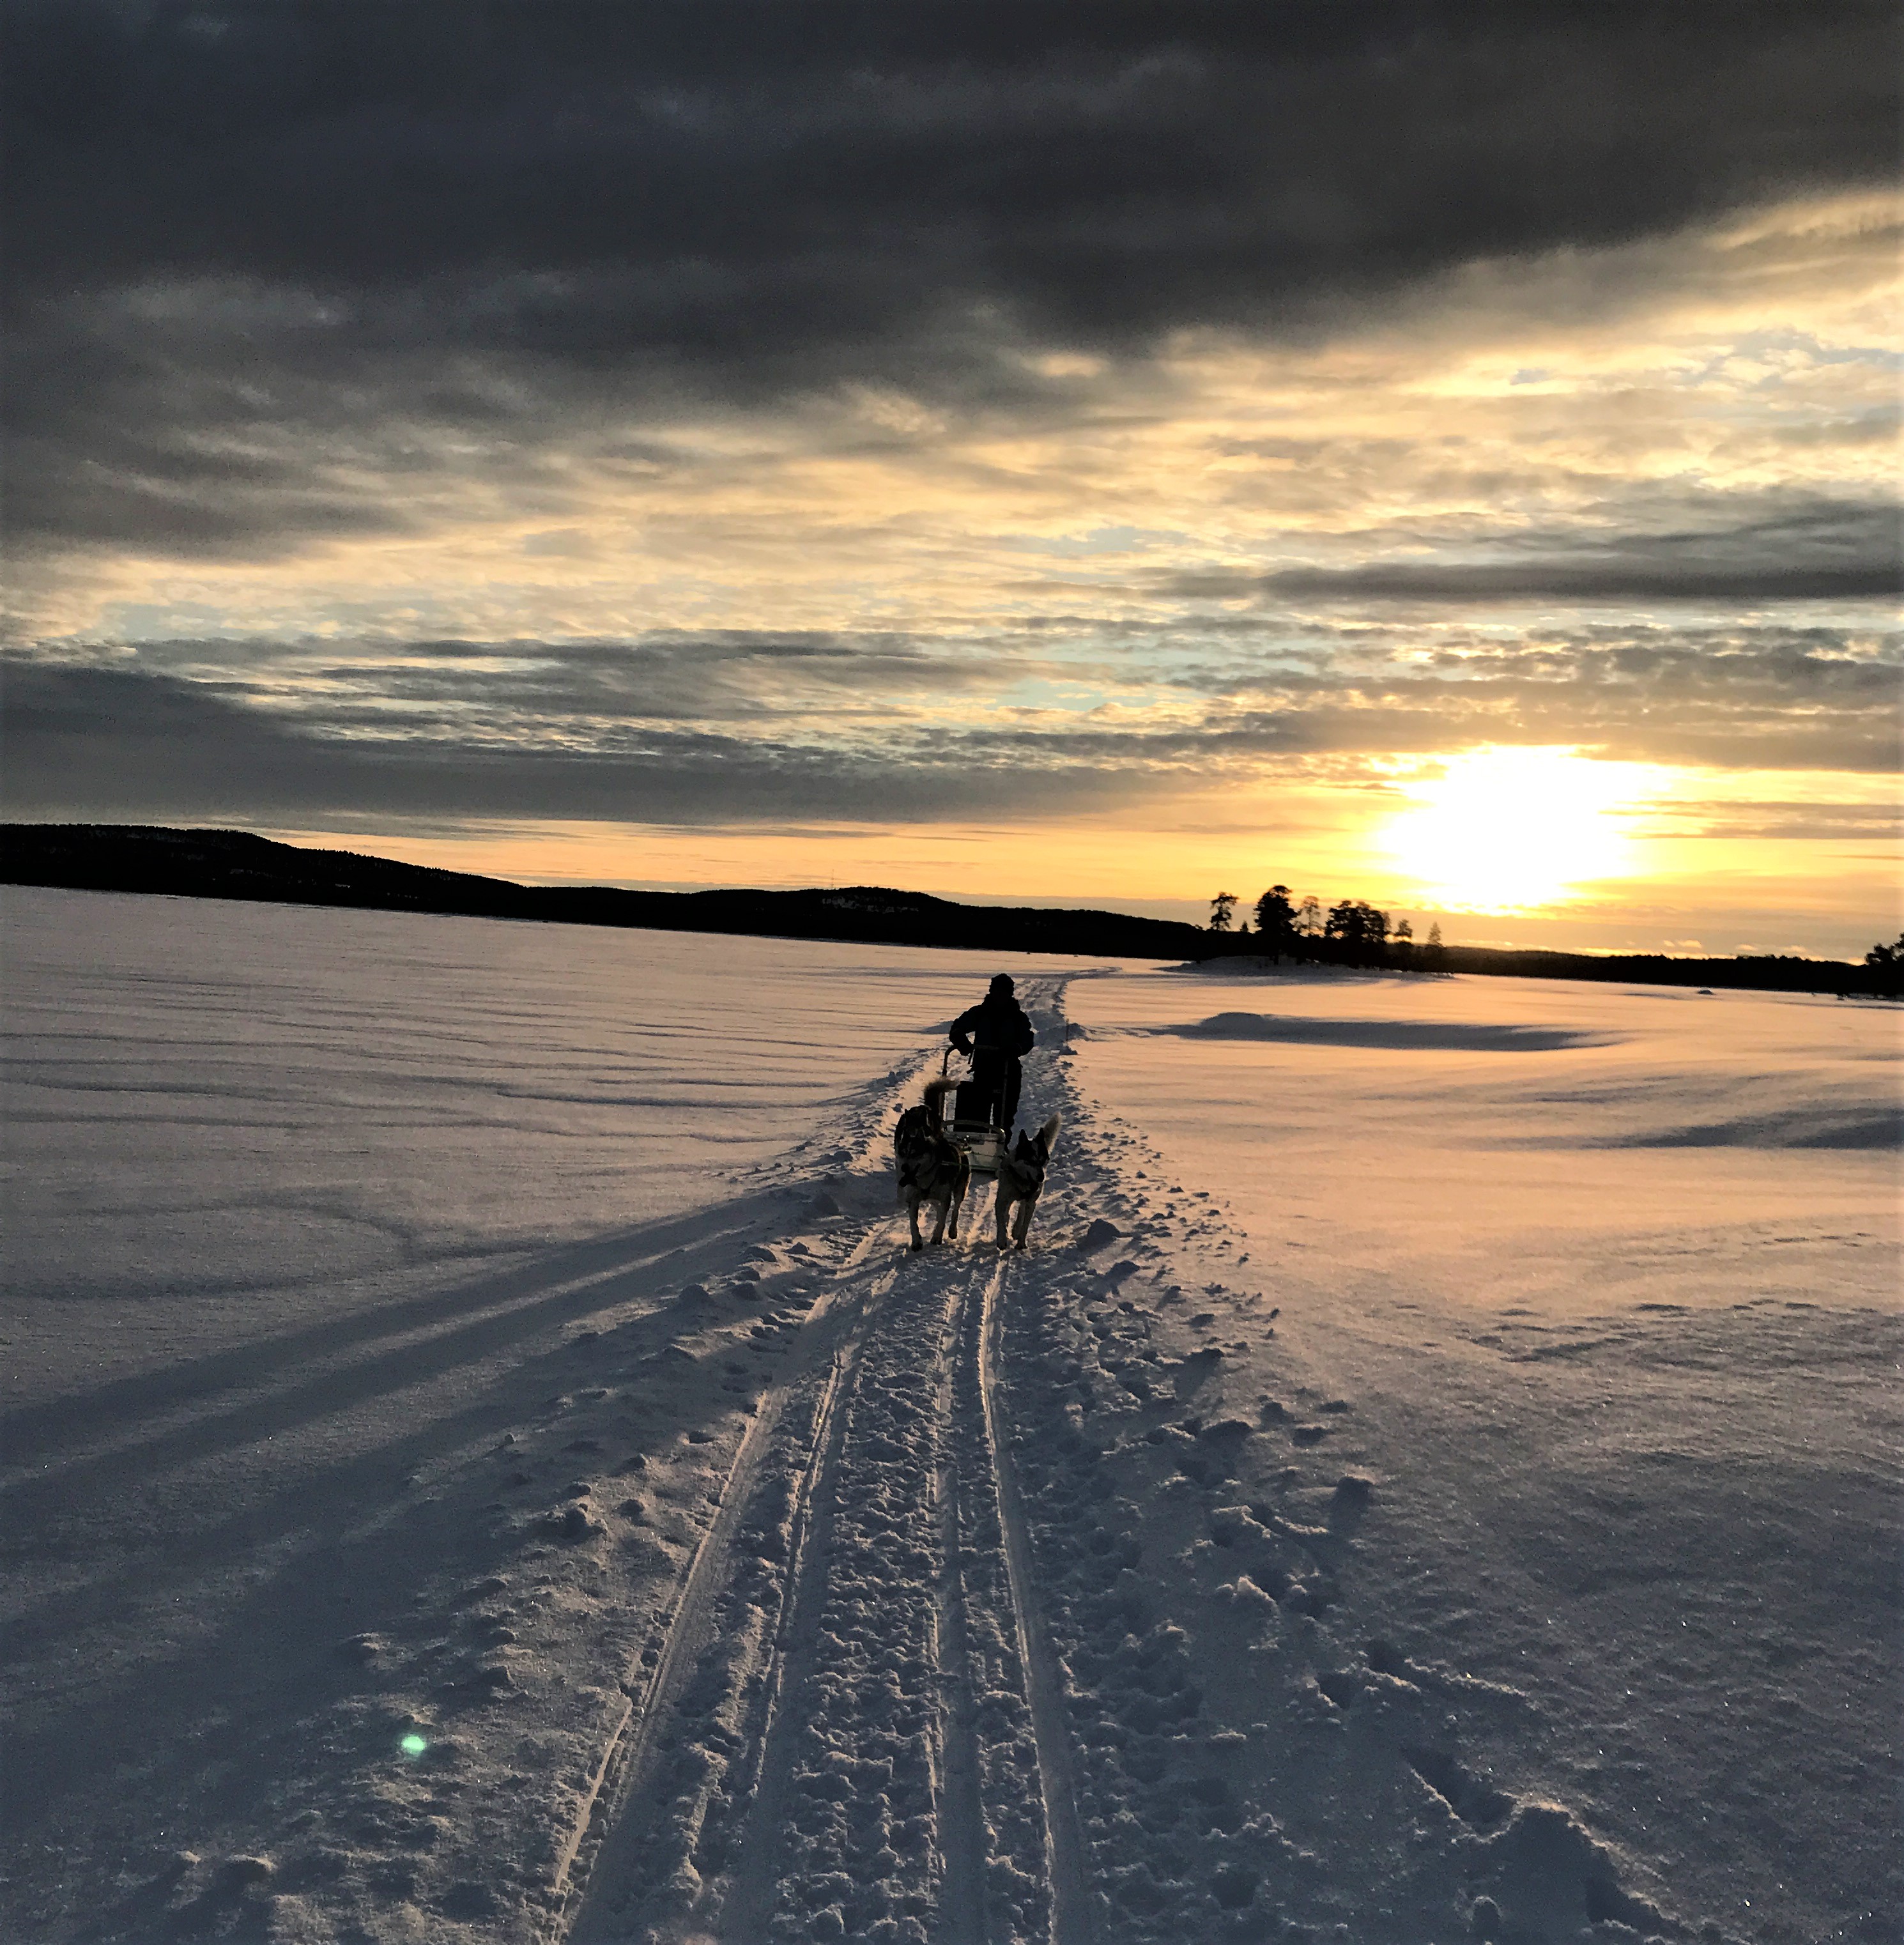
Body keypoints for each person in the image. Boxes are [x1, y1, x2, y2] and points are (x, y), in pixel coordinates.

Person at [949, 973, 1034, 1133]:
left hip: (1009, 1072)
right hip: (984, 1069)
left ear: (1010, 994)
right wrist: (963, 1043)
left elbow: (1027, 1040)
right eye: (997, 991)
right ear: (991, 992)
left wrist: (1016, 1048)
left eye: (1004, 992)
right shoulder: (979, 1013)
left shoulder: (1018, 1018)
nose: (1000, 996)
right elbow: (957, 1027)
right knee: (977, 1115)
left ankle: (1001, 1147)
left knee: (1004, 1118)